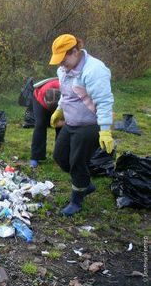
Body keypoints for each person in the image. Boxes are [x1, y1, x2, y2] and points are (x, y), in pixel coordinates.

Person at [49, 34, 114, 216]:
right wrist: (59, 110)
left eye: (64, 59)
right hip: (71, 121)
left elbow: (104, 101)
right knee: (60, 156)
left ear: (75, 51)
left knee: (76, 162)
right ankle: (85, 184)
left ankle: (76, 201)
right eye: (59, 61)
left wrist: (105, 130)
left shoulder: (94, 70)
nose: (61, 64)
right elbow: (66, 94)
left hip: (89, 123)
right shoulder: (63, 70)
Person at [29, 77, 62, 168]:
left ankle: (60, 157)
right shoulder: (41, 94)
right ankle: (36, 157)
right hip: (39, 99)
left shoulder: (67, 92)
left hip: (62, 104)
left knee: (61, 129)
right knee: (40, 124)